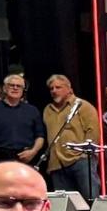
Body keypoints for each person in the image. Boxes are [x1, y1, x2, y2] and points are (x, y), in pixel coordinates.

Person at [42, 74, 100, 202]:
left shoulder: (83, 106)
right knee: (66, 207)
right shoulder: (47, 110)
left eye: (58, 87)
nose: (54, 91)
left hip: (80, 161)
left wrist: (85, 156)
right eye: (51, 88)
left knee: (90, 202)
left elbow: (93, 134)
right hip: (57, 165)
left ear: (69, 89)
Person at [0, 73, 46, 169]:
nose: (15, 88)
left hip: (25, 159)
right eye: (11, 85)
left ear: (23, 90)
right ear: (4, 88)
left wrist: (33, 151)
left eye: (19, 86)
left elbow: (40, 136)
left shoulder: (32, 111)